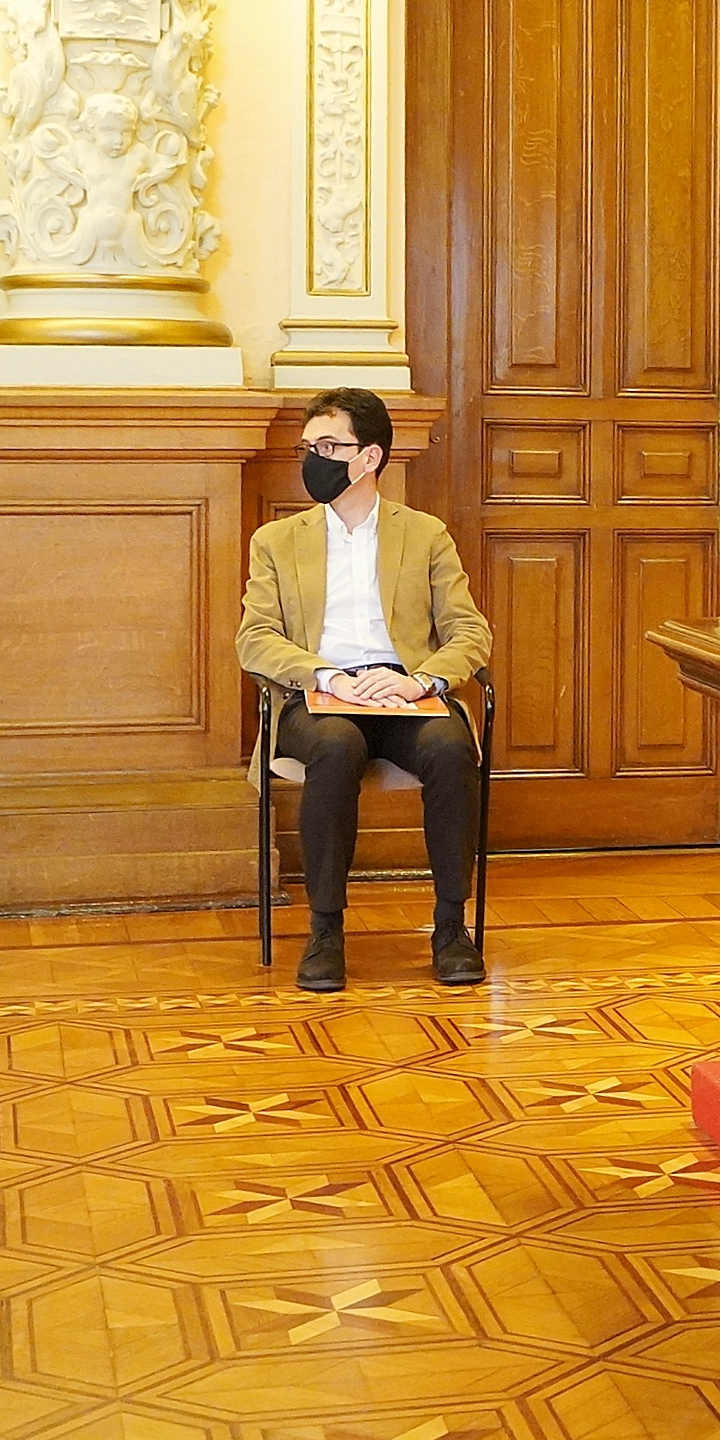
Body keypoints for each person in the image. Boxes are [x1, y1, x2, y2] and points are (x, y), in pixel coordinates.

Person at [239, 388, 493, 992]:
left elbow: (469, 631)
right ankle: (325, 931)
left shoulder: (425, 534)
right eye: (308, 447)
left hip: (404, 692)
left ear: (370, 457)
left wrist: (420, 680)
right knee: (335, 747)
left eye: (329, 446)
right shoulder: (276, 541)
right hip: (318, 696)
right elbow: (255, 638)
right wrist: (326, 676)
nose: (314, 459)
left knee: (451, 749)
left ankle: (451, 928)